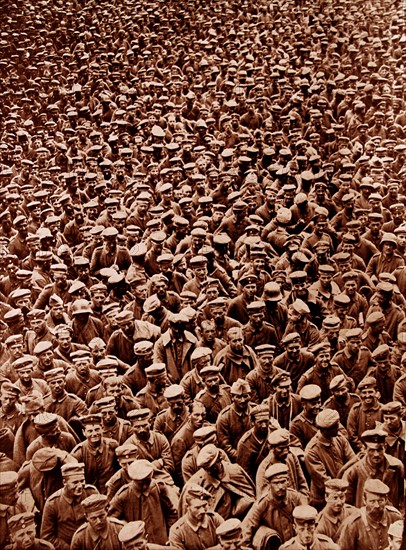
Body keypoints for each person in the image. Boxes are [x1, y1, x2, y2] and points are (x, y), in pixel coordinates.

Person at [108, 459, 178, 546]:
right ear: (133, 480)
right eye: (140, 483)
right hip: (136, 545)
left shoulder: (159, 488)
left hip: (160, 543)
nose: (145, 486)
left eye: (147, 482)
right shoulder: (123, 495)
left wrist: (170, 535)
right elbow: (112, 521)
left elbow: (171, 513)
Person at [180, 444, 256, 520]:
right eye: (206, 469)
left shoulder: (234, 471)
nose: (209, 472)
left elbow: (250, 495)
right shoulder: (197, 482)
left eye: (212, 467)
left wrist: (235, 511)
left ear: (219, 459)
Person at [242, 463, 306, 548]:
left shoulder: (296, 498)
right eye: (276, 483)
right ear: (269, 484)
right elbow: (246, 528)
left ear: (288, 481)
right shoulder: (263, 503)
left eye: (283, 482)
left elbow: (307, 522)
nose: (280, 487)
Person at [304, 409, 355, 509]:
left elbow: (352, 461)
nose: (339, 427)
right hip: (323, 501)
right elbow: (325, 483)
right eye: (335, 426)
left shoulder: (339, 438)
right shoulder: (311, 451)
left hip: (343, 493)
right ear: (325, 430)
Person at [343, 428, 404, 509]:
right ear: (364, 449)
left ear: (385, 447)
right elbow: (346, 505)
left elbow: (403, 496)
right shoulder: (353, 471)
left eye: (379, 450)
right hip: (365, 519)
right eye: (372, 450)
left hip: (390, 519)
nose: (376, 454)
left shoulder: (396, 466)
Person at [40, 463, 98, 550]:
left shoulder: (91, 493)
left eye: (82, 481)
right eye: (75, 482)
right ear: (64, 482)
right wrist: (69, 548)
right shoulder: (52, 503)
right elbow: (47, 537)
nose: (79, 486)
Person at [338, 479, 402, 550]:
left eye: (380, 501)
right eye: (372, 501)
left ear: (386, 499)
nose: (377, 505)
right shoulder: (352, 525)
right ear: (364, 500)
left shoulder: (395, 517)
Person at [71, 414, 119, 494]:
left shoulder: (112, 446)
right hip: (90, 496)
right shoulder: (79, 452)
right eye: (90, 431)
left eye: (97, 429)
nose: (94, 434)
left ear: (102, 428)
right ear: (84, 433)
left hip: (112, 492)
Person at [169, 484, 224, 550]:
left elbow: (227, 544)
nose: (202, 511)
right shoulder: (177, 531)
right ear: (187, 507)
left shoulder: (215, 520)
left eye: (204, 506)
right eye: (197, 508)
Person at [216, 378, 253, 462]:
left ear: (250, 396)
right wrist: (240, 457)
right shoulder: (224, 417)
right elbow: (225, 445)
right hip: (235, 460)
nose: (243, 400)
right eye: (238, 397)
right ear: (232, 397)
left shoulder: (255, 411)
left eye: (245, 396)